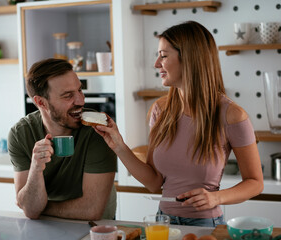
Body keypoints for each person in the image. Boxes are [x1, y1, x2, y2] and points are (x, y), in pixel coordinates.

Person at [94, 21, 264, 227]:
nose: (157, 64)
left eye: (164, 56)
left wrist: (216, 197)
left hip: (205, 225)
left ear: (190, 58)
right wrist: (119, 146)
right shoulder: (160, 110)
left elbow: (255, 183)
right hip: (162, 222)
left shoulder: (232, 115)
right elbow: (154, 182)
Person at [8, 58, 117, 220]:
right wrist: (36, 169)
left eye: (80, 90)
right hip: (46, 227)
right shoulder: (20, 134)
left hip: (94, 228)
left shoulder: (97, 130)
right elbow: (29, 209)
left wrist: (39, 208)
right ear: (41, 102)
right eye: (68, 96)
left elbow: (91, 210)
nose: (80, 100)